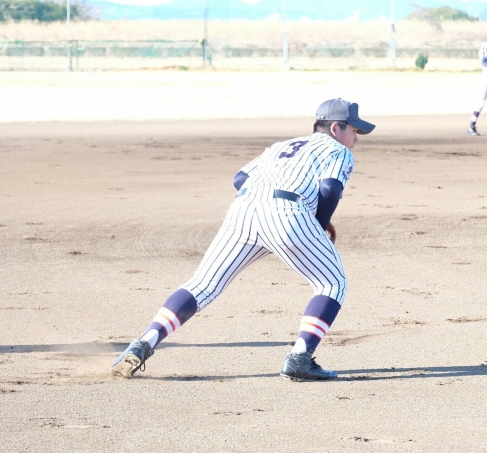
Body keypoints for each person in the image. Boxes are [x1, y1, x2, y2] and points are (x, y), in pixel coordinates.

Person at [111, 99, 375, 381]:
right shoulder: (338, 150)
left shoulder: (282, 146)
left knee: (202, 284)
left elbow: (240, 178)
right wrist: (318, 225)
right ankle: (300, 357)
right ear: (335, 128)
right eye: (354, 130)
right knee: (332, 283)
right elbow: (329, 187)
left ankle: (144, 342)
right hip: (286, 214)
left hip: (243, 210)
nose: (356, 137)